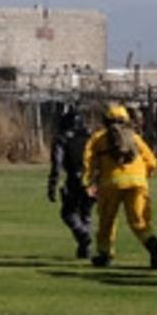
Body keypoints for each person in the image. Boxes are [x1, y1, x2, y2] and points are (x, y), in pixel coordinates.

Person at [82, 103, 157, 269]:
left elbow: (88, 161)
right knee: (138, 221)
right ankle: (151, 244)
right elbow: (152, 162)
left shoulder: (98, 139)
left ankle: (105, 254)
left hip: (110, 184)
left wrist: (87, 182)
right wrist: (143, 176)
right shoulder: (135, 138)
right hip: (137, 183)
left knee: (107, 221)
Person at [47, 105, 95, 258]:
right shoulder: (90, 137)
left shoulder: (62, 139)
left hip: (75, 180)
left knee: (68, 213)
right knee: (86, 213)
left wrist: (52, 185)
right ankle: (84, 248)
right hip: (93, 179)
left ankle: (83, 236)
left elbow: (57, 164)